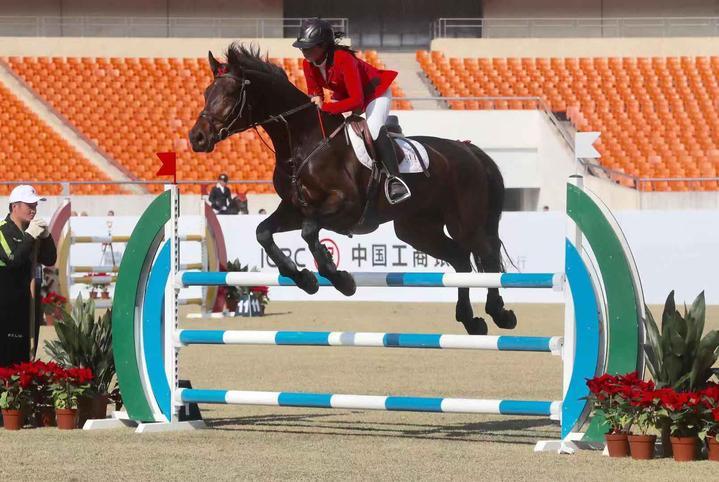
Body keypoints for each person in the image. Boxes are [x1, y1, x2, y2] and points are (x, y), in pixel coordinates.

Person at [293, 18, 411, 204]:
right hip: (345, 96)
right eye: (302, 47)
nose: (304, 50)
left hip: (373, 93)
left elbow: (357, 100)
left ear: (323, 46)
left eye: (308, 47)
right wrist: (315, 99)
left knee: (372, 129)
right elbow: (315, 93)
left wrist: (327, 107)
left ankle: (395, 180)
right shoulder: (308, 63)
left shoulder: (343, 59)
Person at [0, 185, 56, 367]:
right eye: (29, 204)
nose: (33, 209)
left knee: (25, 356)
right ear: (14, 206)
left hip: (27, 305)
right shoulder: (2, 231)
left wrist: (46, 237)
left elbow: (49, 259)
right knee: (6, 358)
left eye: (35, 205)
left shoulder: (32, 233)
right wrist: (30, 237)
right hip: (5, 307)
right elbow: (13, 259)